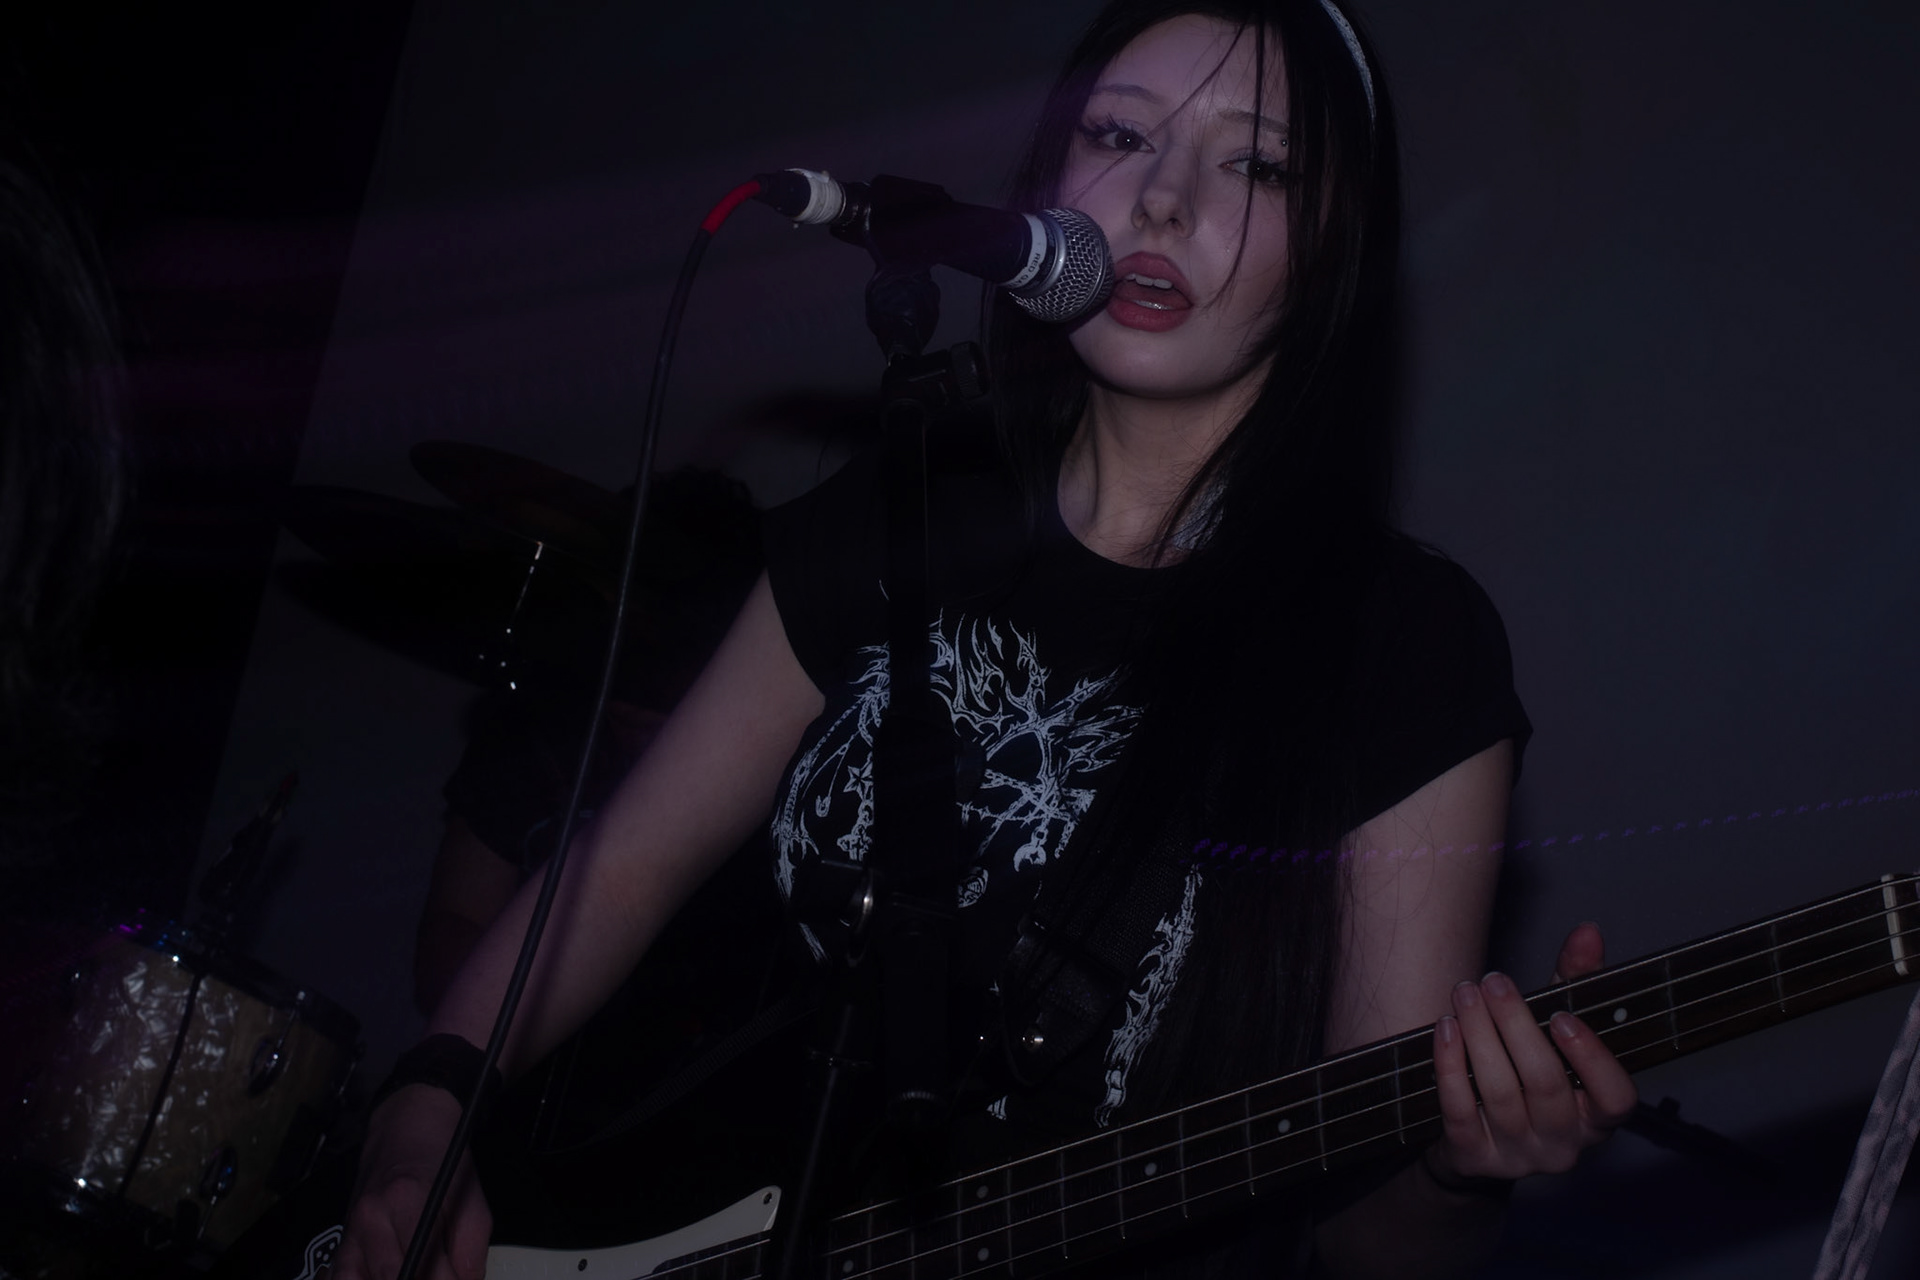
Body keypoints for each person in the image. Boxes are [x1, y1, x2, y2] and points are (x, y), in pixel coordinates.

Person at [334, 3, 1636, 1278]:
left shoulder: (1403, 648)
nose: (1164, 200)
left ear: (1338, 243)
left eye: (1257, 164)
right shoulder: (902, 510)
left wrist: (1460, 1169)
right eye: (1120, 137)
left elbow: (1369, 1236)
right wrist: (428, 1099)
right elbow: (619, 872)